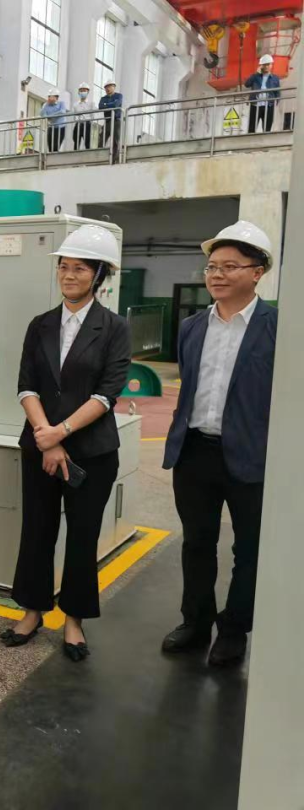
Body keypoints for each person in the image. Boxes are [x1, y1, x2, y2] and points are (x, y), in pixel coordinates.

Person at [2, 225, 131, 663]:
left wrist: (60, 434)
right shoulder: (40, 325)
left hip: (92, 452)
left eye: (79, 268)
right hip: (40, 447)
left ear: (99, 275)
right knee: (36, 530)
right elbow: (26, 386)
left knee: (82, 535)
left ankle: (74, 620)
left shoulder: (114, 328)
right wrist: (45, 437)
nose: (69, 275)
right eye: (64, 266)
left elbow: (107, 394)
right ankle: (32, 611)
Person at [161, 221, 278, 668]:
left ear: (257, 272)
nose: (217, 275)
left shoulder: (278, 327)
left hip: (251, 455)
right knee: (196, 543)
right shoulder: (192, 327)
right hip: (194, 451)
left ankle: (233, 631)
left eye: (230, 266)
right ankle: (195, 622)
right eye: (212, 266)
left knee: (248, 550)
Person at [244, 54, 281, 134]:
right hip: (255, 105)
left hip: (269, 105)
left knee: (267, 128)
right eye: (264, 65)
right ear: (261, 66)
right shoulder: (255, 76)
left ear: (271, 65)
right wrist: (256, 74)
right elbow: (247, 84)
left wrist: (277, 101)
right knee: (252, 129)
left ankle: (266, 141)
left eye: (268, 64)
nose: (266, 66)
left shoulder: (275, 78)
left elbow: (277, 91)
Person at [99, 80, 124, 163]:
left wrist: (106, 105)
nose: (107, 89)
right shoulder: (103, 98)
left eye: (109, 86)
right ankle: (99, 158)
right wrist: (111, 105)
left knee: (115, 140)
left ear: (114, 87)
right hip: (107, 121)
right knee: (101, 139)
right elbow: (100, 106)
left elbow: (116, 105)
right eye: (106, 87)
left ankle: (114, 159)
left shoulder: (119, 96)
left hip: (116, 121)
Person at [72, 82, 96, 150]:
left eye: (84, 90)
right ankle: (75, 153)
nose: (83, 92)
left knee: (87, 142)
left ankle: (88, 154)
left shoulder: (91, 103)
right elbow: (74, 116)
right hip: (78, 124)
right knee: (76, 141)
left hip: (87, 124)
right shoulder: (75, 104)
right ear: (79, 92)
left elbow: (92, 116)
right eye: (81, 90)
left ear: (88, 92)